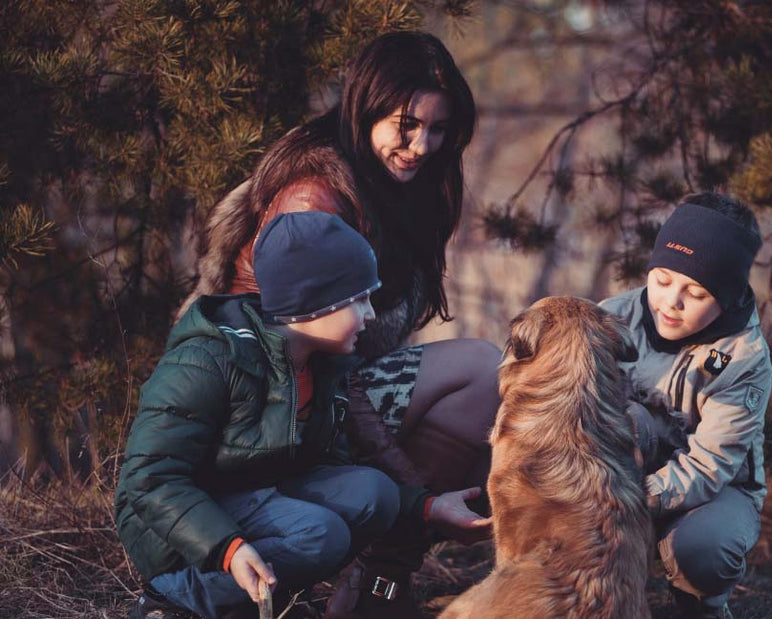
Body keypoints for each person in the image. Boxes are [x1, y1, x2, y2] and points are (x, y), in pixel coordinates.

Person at [179, 32, 499, 616]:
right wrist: (418, 494)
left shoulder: (402, 187)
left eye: (437, 129)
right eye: (406, 125)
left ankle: (380, 584)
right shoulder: (315, 196)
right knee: (481, 371)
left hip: (338, 386)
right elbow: (302, 365)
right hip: (273, 410)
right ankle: (374, 582)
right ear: (365, 108)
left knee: (493, 419)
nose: (421, 146)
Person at [116, 212, 490, 619]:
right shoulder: (208, 359)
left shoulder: (322, 365)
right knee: (320, 535)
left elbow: (333, 467)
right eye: (359, 300)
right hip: (177, 531)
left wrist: (427, 506)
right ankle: (170, 602)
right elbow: (151, 478)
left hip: (254, 494)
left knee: (375, 493)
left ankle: (250, 601)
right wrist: (228, 548)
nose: (370, 314)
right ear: (313, 303)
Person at [600, 193, 772, 619]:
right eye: (661, 280)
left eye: (695, 292)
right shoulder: (611, 318)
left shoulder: (743, 358)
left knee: (704, 550)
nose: (671, 302)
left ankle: (700, 606)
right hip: (622, 474)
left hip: (712, 491)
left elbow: (711, 465)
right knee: (631, 419)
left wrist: (627, 500)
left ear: (727, 297)